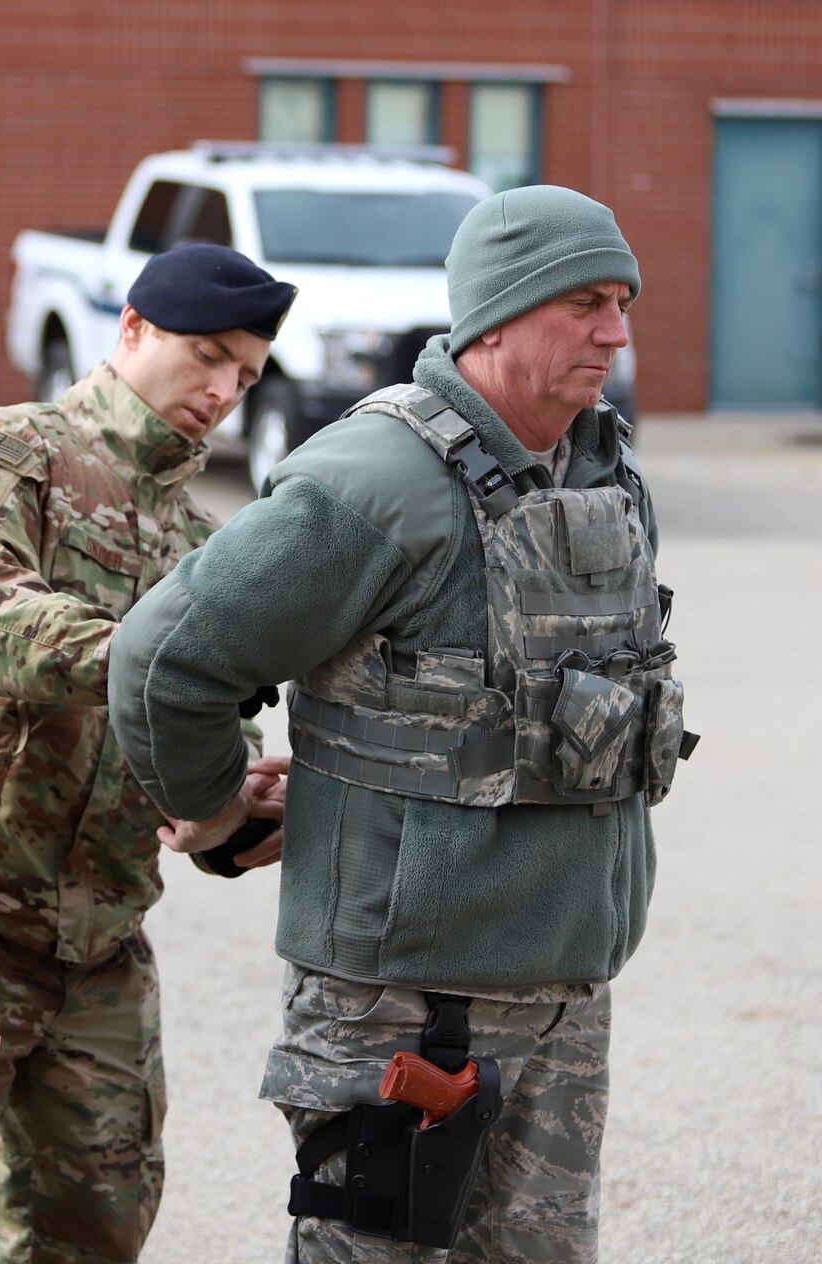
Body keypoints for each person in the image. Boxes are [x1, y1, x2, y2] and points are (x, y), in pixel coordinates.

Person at [109, 186, 689, 1263]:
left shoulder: (600, 469)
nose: (614, 330)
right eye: (585, 304)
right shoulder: (377, 478)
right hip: (404, 1013)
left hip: (561, 1004)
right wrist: (213, 810)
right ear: (498, 316)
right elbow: (164, 658)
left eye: (620, 302)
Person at [0, 243, 296, 1263]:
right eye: (205, 354)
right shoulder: (4, 454)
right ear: (129, 327)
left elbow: (212, 732)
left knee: (92, 1234)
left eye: (246, 376)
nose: (220, 390)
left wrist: (227, 808)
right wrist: (160, 672)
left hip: (98, 948)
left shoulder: (207, 541)